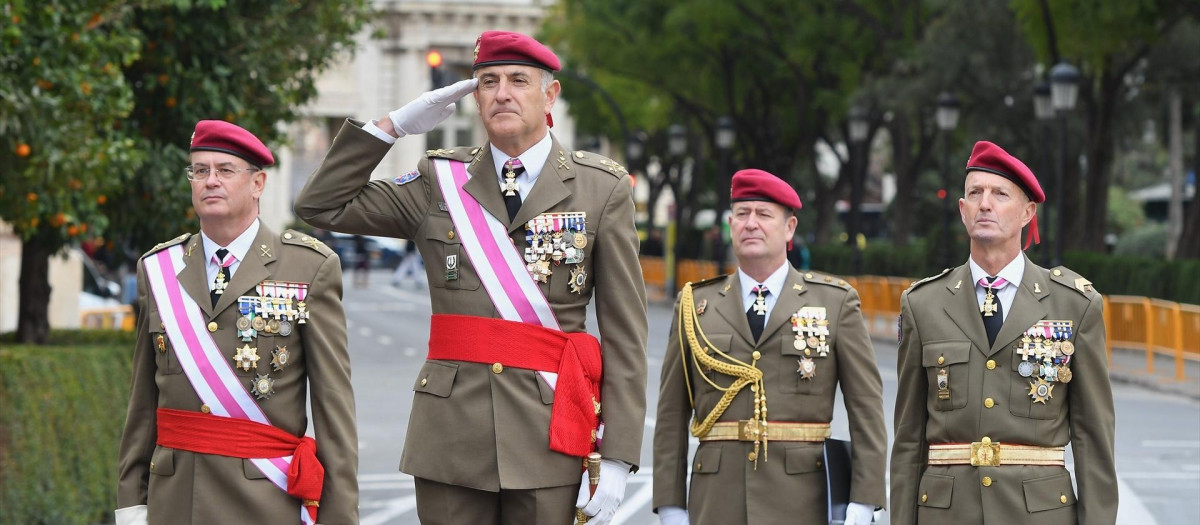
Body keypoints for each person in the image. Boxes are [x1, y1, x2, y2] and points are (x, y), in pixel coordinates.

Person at [294, 30, 648, 525]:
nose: (501, 93)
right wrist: (391, 127)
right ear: (473, 97)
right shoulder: (440, 182)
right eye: (487, 82)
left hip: (549, 432)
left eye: (518, 80)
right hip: (450, 435)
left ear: (550, 95)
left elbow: (626, 334)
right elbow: (320, 204)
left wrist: (618, 454)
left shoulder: (599, 187)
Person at [116, 120, 358, 525]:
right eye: (200, 170)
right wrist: (131, 504)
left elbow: (334, 410)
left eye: (225, 170)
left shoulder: (309, 266)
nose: (210, 181)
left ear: (258, 183)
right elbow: (142, 405)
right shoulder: (158, 269)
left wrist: (337, 517)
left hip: (263, 501)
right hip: (173, 501)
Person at [890, 141, 1116, 524]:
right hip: (946, 513)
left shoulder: (1074, 305)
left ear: (1028, 212)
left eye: (1000, 194)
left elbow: (1093, 439)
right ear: (962, 211)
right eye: (974, 193)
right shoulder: (922, 304)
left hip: (1038, 513)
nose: (985, 204)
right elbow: (908, 437)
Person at [653, 169, 886, 525]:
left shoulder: (835, 303)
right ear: (731, 224)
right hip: (717, 500)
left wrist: (864, 498)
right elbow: (671, 413)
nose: (751, 224)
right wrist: (670, 505)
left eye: (764, 215)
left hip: (802, 501)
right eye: (742, 214)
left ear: (789, 228)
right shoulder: (695, 305)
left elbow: (866, 407)